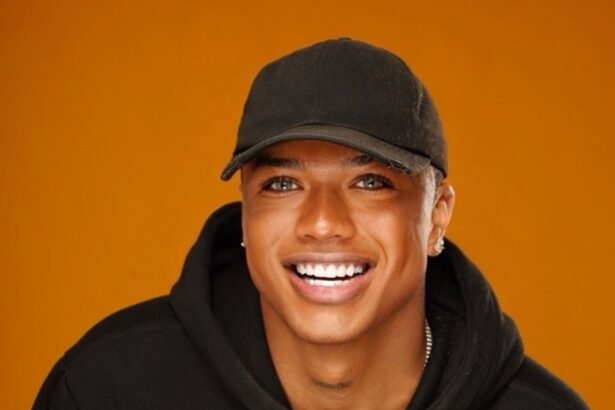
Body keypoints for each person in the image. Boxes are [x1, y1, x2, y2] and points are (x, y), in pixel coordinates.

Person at [34, 38, 588, 409]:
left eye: (370, 182)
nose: (323, 223)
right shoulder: (106, 390)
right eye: (282, 184)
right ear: (246, 213)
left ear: (436, 216)